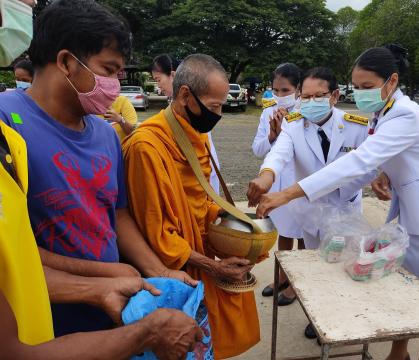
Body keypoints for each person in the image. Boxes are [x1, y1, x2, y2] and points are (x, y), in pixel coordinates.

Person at [0, 1, 201, 358]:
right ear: (65, 62)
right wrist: (106, 274)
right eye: (108, 70)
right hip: (44, 323)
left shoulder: (106, 134)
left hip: (115, 310)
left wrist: (158, 271)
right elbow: (15, 252)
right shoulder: (6, 125)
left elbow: (116, 214)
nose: (114, 85)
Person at [254, 45, 419, 360]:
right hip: (413, 219)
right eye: (356, 88)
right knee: (409, 293)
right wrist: (380, 175)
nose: (360, 94)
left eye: (367, 87)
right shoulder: (381, 114)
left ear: (392, 81)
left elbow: (359, 161)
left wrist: (288, 193)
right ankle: (398, 354)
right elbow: (370, 167)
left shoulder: (405, 114)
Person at [123, 54, 260, 359]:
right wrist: (212, 265)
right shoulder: (148, 146)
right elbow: (156, 232)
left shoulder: (193, 134)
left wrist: (235, 230)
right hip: (172, 272)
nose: (219, 113)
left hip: (198, 250)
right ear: (185, 95)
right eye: (214, 106)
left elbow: (201, 201)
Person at [249, 66, 372, 340]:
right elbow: (278, 154)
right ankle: (317, 317)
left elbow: (369, 167)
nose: (310, 102)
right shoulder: (293, 124)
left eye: (319, 96)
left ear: (334, 95)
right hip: (310, 213)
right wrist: (266, 177)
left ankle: (340, 317)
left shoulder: (356, 126)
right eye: (305, 97)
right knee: (315, 269)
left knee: (344, 270)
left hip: (345, 213)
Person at [252, 63, 304, 306]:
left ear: (298, 89)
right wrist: (272, 135)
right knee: (283, 231)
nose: (280, 96)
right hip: (277, 182)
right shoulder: (267, 113)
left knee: (304, 234)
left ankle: (299, 283)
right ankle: (283, 277)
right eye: (276, 90)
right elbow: (258, 148)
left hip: (299, 184)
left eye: (286, 90)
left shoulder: (307, 111)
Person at [152, 53, 222, 193]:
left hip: (202, 174)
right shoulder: (175, 104)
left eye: (158, 80)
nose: (159, 86)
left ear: (173, 75)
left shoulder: (190, 105)